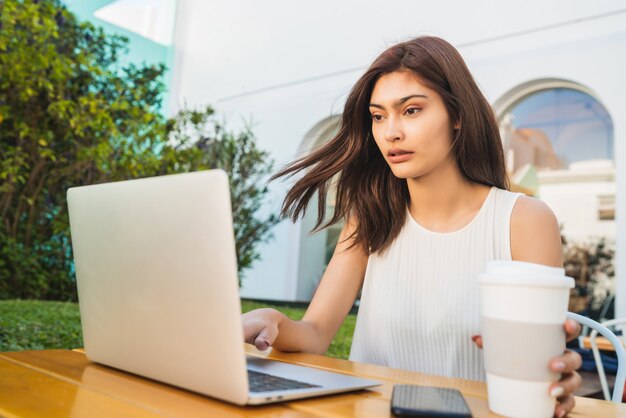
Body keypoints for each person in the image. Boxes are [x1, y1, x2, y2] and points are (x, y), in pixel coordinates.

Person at [242, 36, 582, 417]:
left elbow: (537, 366)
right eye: (378, 116)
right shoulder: (369, 216)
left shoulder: (524, 220)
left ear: (457, 115)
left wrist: (551, 377)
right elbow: (316, 334)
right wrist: (274, 320)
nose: (391, 132)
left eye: (412, 110)